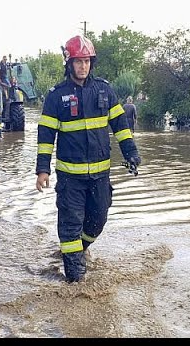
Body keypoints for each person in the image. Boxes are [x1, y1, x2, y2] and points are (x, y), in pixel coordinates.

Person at [35, 35, 141, 282]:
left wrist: (132, 153)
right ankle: (75, 283)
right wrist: (43, 170)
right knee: (70, 225)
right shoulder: (56, 96)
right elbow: (45, 136)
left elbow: (121, 126)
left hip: (100, 176)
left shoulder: (104, 90)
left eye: (87, 61)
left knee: (98, 221)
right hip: (70, 179)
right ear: (69, 64)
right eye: (78, 61)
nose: (83, 66)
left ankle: (78, 252)